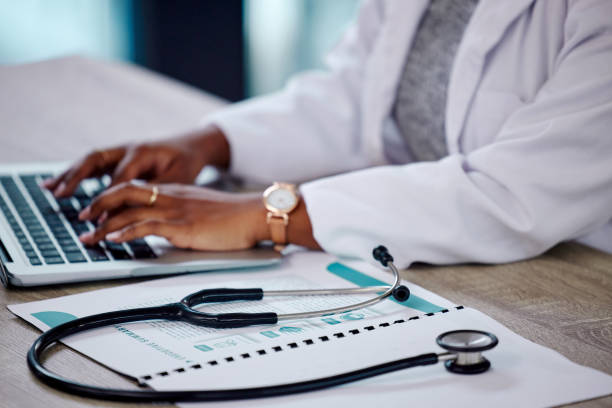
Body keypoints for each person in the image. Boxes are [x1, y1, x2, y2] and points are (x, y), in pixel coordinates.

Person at [43, 0, 612, 268]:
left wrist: (265, 214)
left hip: (570, 279)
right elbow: (357, 92)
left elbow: (513, 194)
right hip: (440, 264)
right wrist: (211, 143)